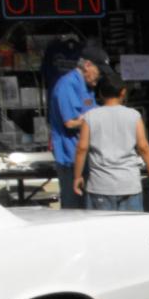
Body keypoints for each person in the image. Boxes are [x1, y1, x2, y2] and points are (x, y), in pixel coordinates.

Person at [71, 74, 149, 212]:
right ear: (123, 92)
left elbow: (82, 148)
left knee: (102, 226)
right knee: (131, 226)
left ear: (100, 93)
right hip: (129, 184)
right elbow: (143, 147)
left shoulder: (90, 116)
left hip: (100, 185)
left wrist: (77, 177)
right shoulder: (134, 115)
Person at [50, 45, 111, 210]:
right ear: (88, 65)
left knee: (90, 208)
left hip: (88, 158)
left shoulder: (86, 87)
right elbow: (70, 122)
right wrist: (99, 118)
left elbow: (90, 113)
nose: (100, 76)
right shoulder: (67, 85)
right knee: (73, 209)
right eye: (99, 71)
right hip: (70, 158)